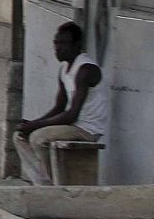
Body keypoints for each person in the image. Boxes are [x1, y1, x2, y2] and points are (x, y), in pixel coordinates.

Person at [14, 21, 109, 185]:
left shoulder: (85, 69)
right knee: (20, 137)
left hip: (86, 129)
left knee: (38, 137)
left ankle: (55, 186)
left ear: (77, 45)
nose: (57, 48)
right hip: (72, 126)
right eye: (56, 43)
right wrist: (33, 123)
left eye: (63, 43)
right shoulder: (64, 70)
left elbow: (72, 114)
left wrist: (36, 126)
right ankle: (42, 183)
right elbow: (59, 107)